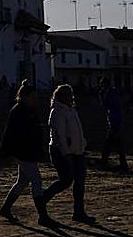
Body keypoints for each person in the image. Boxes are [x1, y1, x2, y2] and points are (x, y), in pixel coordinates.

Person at [0, 80, 53, 225]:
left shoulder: (25, 111)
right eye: (33, 97)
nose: (36, 100)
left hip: (25, 152)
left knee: (22, 181)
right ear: (26, 97)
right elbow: (13, 135)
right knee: (36, 181)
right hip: (23, 152)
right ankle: (42, 215)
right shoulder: (19, 112)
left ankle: (6, 208)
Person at [40, 84, 96, 225]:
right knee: (66, 180)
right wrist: (66, 153)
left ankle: (79, 212)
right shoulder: (58, 112)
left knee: (79, 182)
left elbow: (77, 131)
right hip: (62, 152)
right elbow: (60, 136)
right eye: (68, 95)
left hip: (77, 151)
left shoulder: (70, 110)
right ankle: (42, 199)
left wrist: (82, 145)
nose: (71, 97)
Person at [99, 79, 129, 172]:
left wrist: (101, 96)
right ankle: (108, 162)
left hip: (114, 120)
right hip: (115, 120)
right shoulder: (114, 92)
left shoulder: (111, 93)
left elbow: (106, 104)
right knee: (113, 142)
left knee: (113, 143)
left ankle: (106, 162)